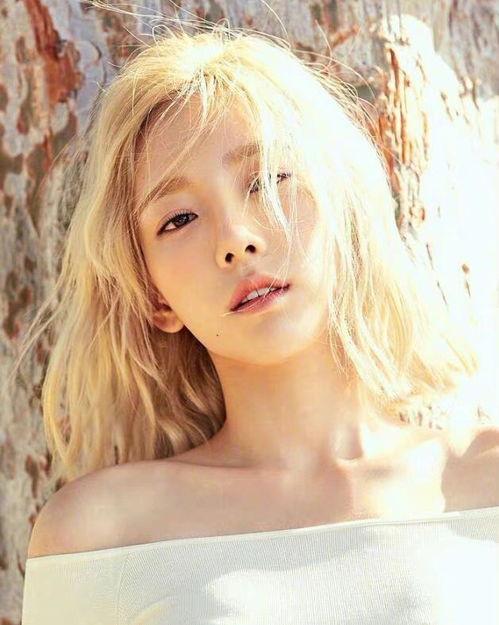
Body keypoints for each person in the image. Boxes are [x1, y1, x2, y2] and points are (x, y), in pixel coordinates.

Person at [14, 13, 498, 625]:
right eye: (179, 219)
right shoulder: (101, 534)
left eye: (268, 179)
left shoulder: (484, 481)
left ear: (341, 205)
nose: (236, 240)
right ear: (154, 296)